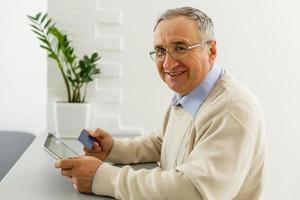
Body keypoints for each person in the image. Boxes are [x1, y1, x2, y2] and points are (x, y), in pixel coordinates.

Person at [55, 6, 266, 200]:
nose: (168, 63)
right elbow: (163, 142)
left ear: (211, 51)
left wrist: (102, 178)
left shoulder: (231, 110)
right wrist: (113, 149)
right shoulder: (190, 95)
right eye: (160, 51)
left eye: (180, 48)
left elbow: (193, 191)